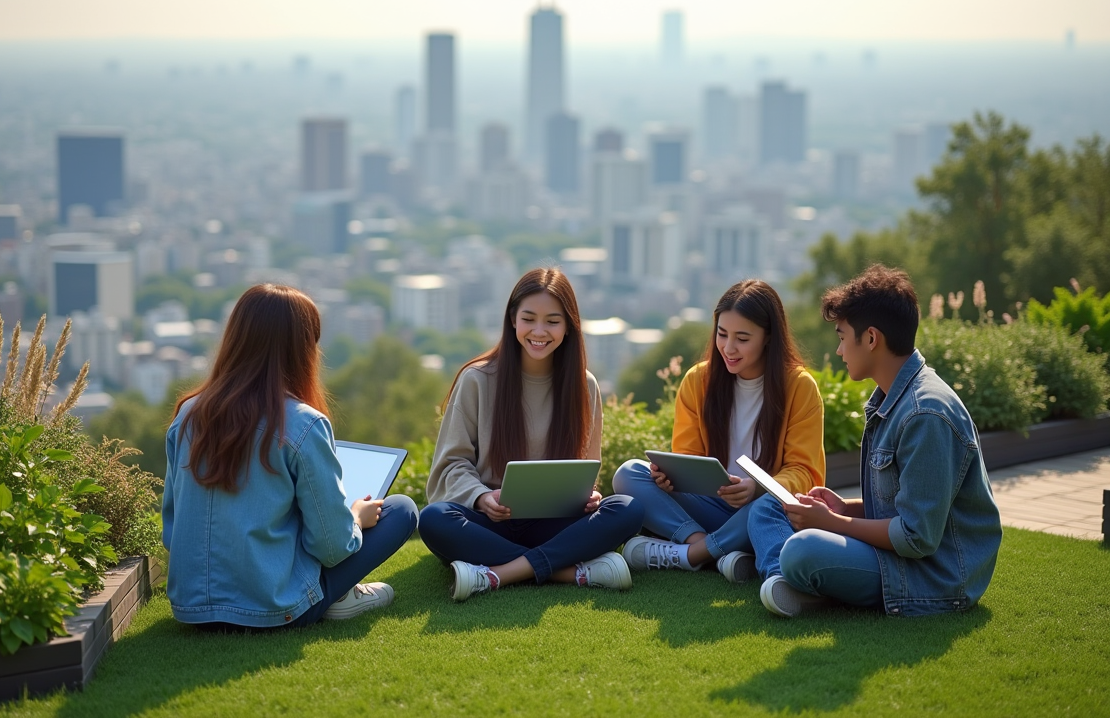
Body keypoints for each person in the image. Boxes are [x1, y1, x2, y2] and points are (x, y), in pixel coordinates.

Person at [749, 264, 1002, 617]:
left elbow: (916, 537)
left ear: (870, 339)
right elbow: (901, 505)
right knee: (771, 508)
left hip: (935, 577)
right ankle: (793, 581)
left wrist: (831, 523)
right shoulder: (892, 398)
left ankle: (794, 579)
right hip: (900, 558)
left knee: (802, 550)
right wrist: (844, 508)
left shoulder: (925, 414)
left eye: (842, 337)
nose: (839, 351)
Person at [162, 283, 418, 629]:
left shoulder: (187, 415)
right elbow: (332, 548)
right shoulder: (303, 424)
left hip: (191, 608)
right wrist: (356, 518)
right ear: (302, 349)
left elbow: (172, 528)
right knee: (401, 509)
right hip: (274, 609)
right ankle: (339, 597)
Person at [419, 268, 644, 601]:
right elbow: (451, 465)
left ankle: (497, 574)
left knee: (628, 509)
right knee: (434, 520)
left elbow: (585, 469)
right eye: (529, 319)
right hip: (489, 521)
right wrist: (481, 497)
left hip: (553, 523)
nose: (539, 331)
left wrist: (590, 496)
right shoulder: (477, 380)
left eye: (552, 321)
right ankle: (566, 571)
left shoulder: (585, 386)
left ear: (569, 326)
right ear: (513, 319)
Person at [613, 280, 825, 583]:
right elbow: (687, 460)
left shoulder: (800, 386)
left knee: (765, 507)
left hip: (764, 512)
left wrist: (757, 487)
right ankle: (711, 547)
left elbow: (805, 472)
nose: (728, 348)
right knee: (629, 473)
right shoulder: (697, 381)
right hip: (710, 504)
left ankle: (691, 556)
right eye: (722, 334)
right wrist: (670, 477)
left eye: (742, 338)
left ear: (768, 337)